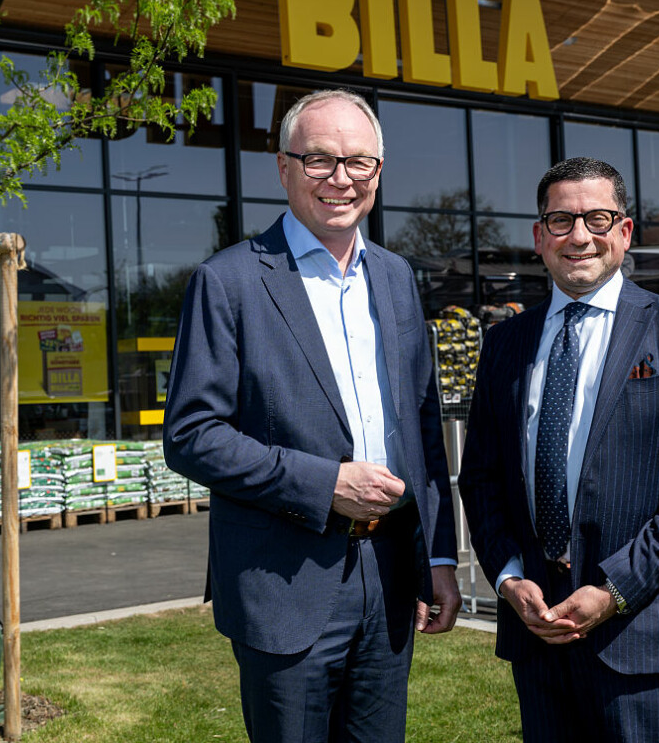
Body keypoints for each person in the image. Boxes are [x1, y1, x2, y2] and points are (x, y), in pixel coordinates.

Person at [163, 89, 461, 743]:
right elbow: (191, 437)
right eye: (320, 159)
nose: (340, 178)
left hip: (388, 577)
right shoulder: (231, 281)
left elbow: (421, 432)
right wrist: (324, 484)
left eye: (359, 162)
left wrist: (439, 556)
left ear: (378, 173)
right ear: (284, 168)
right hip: (283, 584)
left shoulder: (396, 278)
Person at [458, 157, 659, 743]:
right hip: (537, 630)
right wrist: (509, 578)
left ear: (625, 231)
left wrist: (613, 591)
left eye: (597, 218)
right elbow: (482, 477)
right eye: (561, 220)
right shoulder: (505, 343)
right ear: (539, 238)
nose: (580, 236)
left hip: (639, 631)